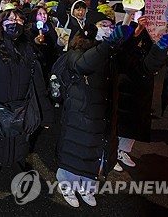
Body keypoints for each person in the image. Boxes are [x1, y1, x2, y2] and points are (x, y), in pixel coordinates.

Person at [0, 7, 53, 210]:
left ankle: (20, 187)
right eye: (9, 19)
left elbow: (38, 83)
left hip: (21, 112)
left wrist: (46, 114)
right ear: (0, 23)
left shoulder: (28, 48)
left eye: (18, 19)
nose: (14, 22)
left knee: (18, 155)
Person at [55, 22, 134, 208]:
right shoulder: (77, 50)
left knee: (95, 154)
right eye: (103, 24)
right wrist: (108, 44)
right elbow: (83, 64)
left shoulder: (113, 52)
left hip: (102, 115)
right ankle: (67, 185)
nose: (108, 27)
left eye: (111, 24)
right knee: (75, 151)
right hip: (80, 114)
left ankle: (87, 187)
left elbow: (139, 69)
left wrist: (160, 46)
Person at [114, 16, 168, 170]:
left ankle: (122, 151)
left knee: (134, 125)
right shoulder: (122, 50)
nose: (140, 39)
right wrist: (136, 31)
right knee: (118, 125)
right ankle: (111, 154)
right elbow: (121, 50)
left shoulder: (146, 46)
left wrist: (166, 40)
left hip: (141, 92)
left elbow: (151, 64)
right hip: (123, 91)